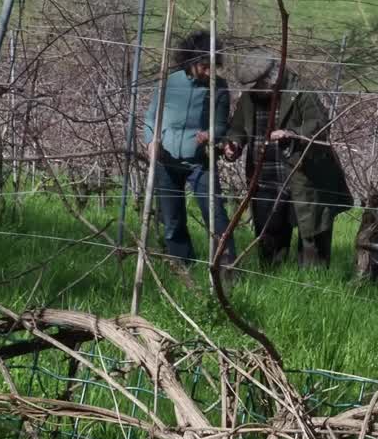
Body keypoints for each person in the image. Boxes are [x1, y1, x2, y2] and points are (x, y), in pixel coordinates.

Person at [224, 48, 352, 268]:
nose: (256, 88)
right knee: (269, 237)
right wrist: (233, 144)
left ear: (273, 77)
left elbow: (320, 125)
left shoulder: (300, 91)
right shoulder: (250, 98)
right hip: (264, 179)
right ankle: (270, 280)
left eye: (260, 83)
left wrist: (293, 134)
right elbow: (237, 127)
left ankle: (313, 286)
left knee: (312, 236)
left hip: (303, 178)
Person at [143, 30, 236, 268]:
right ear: (191, 61)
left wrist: (211, 134)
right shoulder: (168, 82)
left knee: (216, 215)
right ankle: (183, 266)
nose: (208, 72)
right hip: (167, 160)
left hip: (201, 161)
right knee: (172, 220)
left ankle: (225, 268)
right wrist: (151, 140)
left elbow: (223, 123)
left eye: (212, 66)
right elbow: (152, 117)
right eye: (204, 66)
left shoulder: (219, 88)